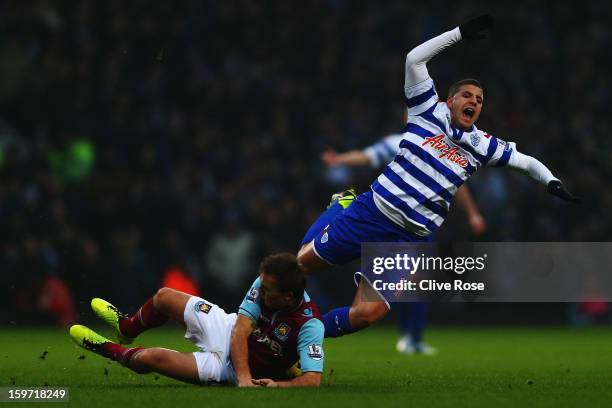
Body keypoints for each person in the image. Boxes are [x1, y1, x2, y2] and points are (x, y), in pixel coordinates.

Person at [298, 15, 579, 340]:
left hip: (408, 239)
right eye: (468, 95)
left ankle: (302, 335)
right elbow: (413, 59)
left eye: (480, 99)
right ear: (450, 101)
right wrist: (458, 34)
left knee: (367, 313)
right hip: (372, 212)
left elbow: (527, 162)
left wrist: (551, 182)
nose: (474, 100)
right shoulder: (426, 111)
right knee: (300, 267)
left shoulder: (483, 145)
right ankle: (340, 208)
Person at [322, 131, 487, 354]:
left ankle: (413, 337)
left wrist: (472, 213)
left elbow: (460, 185)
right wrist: (340, 160)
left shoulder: (445, 149)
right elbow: (368, 156)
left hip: (422, 226)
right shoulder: (403, 140)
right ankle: (406, 336)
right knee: (399, 287)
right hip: (392, 223)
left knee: (418, 285)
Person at [69, 253, 325, 387]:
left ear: (288, 297)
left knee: (149, 358)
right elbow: (240, 330)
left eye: (269, 291)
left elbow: (313, 380)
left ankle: (107, 349)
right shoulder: (265, 281)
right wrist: (246, 381)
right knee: (164, 297)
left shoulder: (310, 325)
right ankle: (126, 328)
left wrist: (255, 381)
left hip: (227, 370)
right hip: (228, 328)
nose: (262, 291)